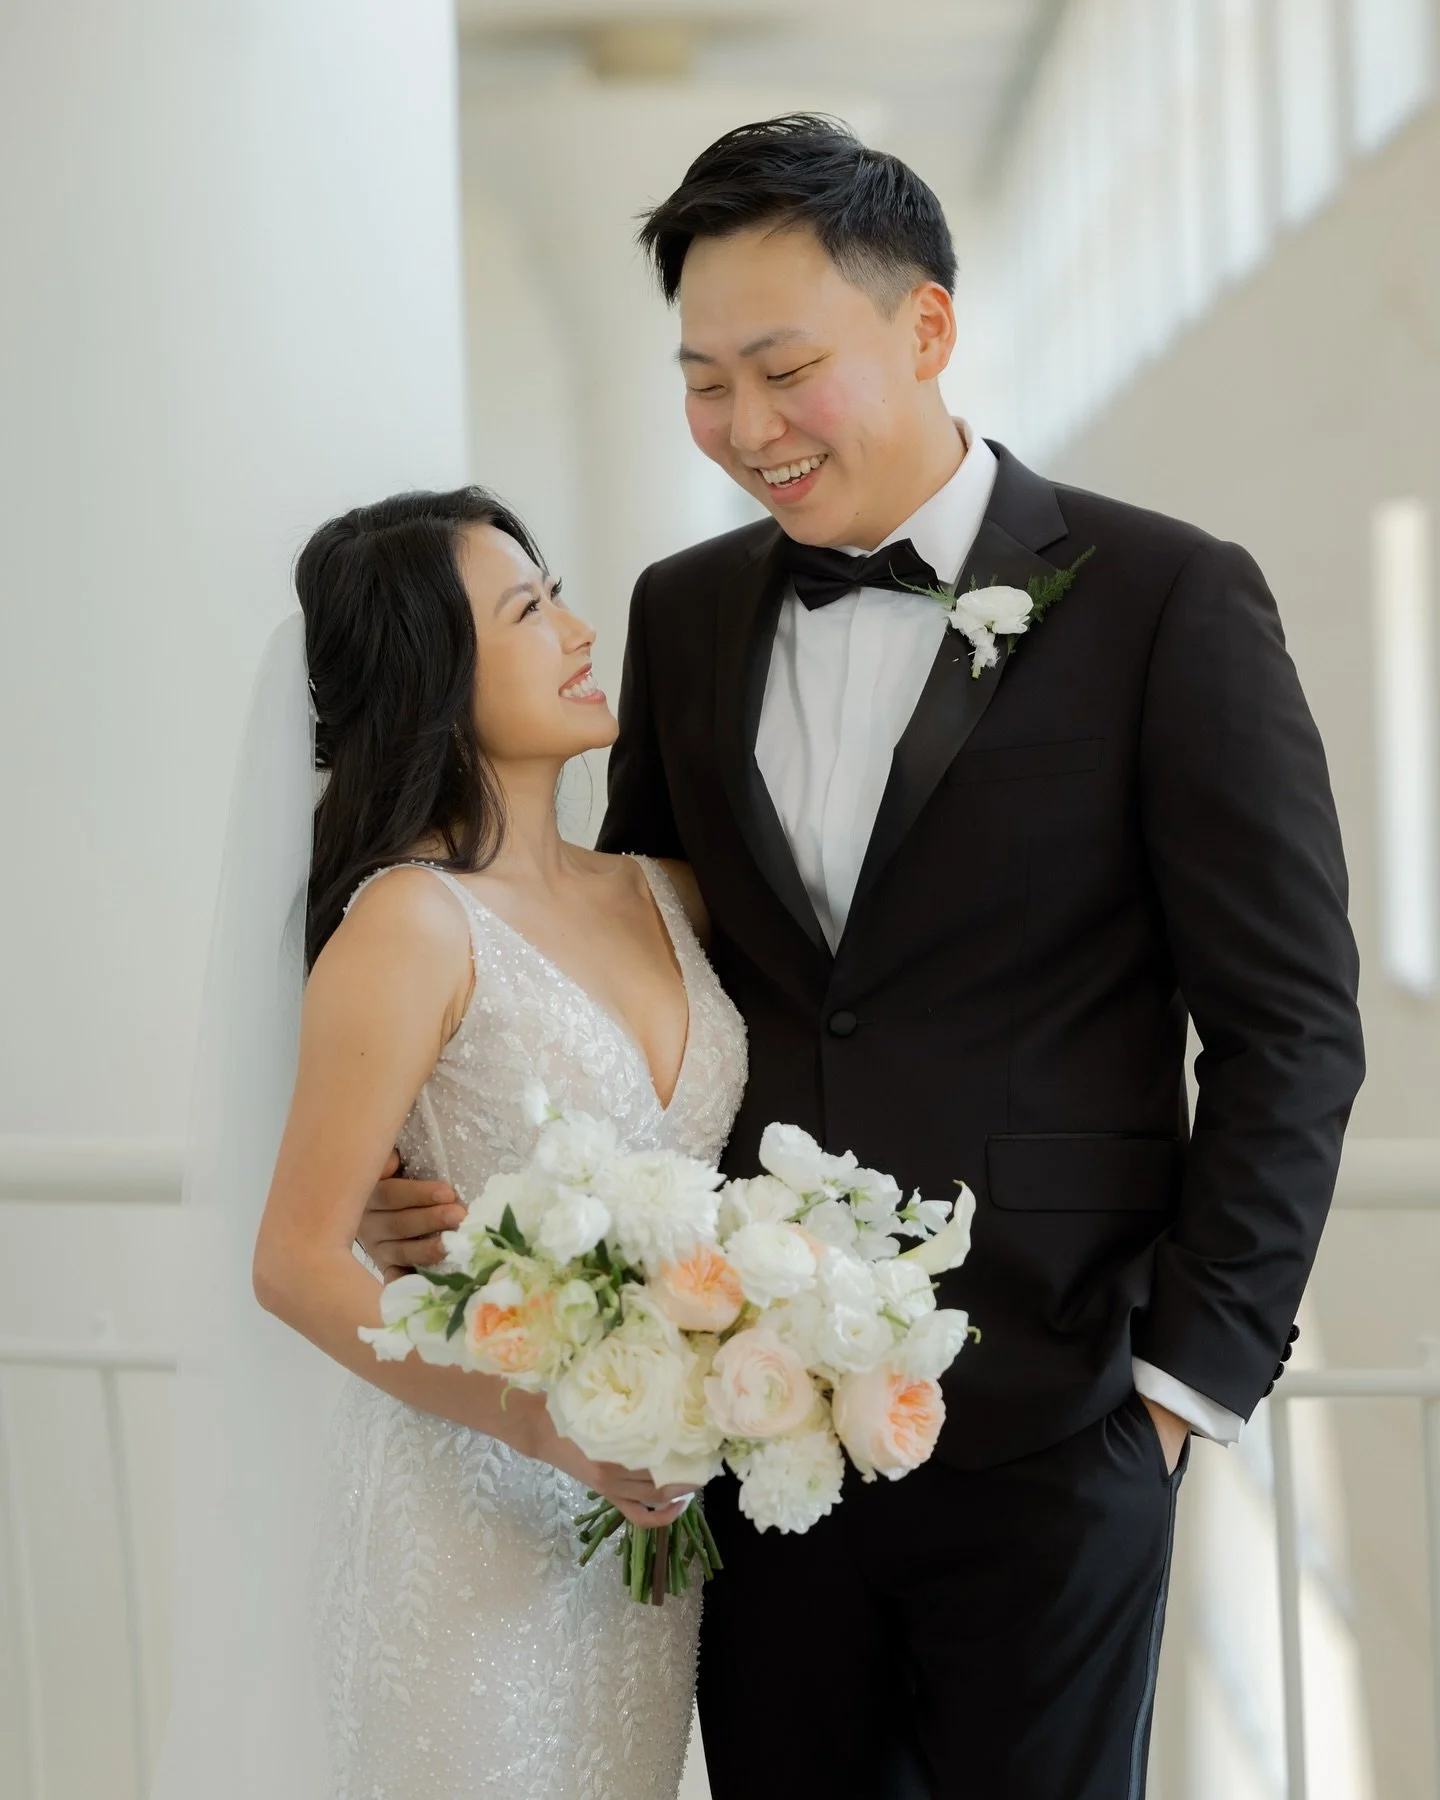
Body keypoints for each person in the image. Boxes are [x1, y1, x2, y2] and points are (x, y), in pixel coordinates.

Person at [360, 117, 1365, 1798]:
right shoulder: (680, 616)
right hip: (744, 1430)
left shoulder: (1169, 600)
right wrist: (458, 1163)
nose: (744, 429)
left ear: (928, 330)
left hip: (1060, 1421)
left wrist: (1179, 1397)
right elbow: (647, 964)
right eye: (702, 381)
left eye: (785, 368)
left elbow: (1291, 1030)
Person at [245, 488, 747, 1797]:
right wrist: (557, 1430)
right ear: (436, 677)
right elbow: (297, 1258)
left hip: (637, 1536)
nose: (581, 630)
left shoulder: (665, 889)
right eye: (530, 610)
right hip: (462, 1516)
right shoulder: (411, 923)